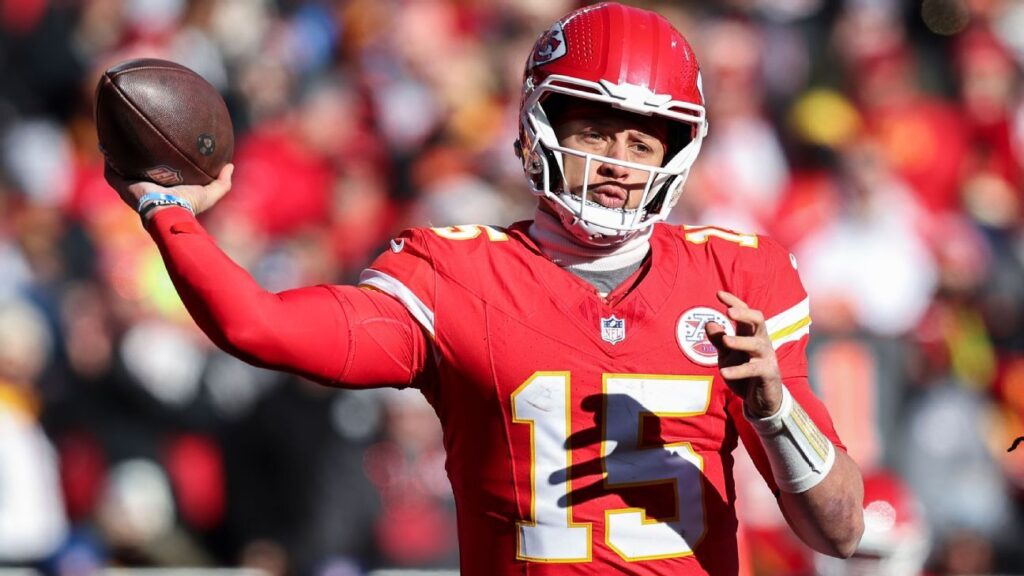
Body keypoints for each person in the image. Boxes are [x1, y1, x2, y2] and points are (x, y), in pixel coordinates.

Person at [103, 3, 864, 574]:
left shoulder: (738, 275)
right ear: (536, 129)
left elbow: (839, 530)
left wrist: (775, 411)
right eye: (595, 129)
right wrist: (168, 212)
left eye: (641, 139)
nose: (617, 162)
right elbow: (260, 327)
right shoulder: (456, 272)